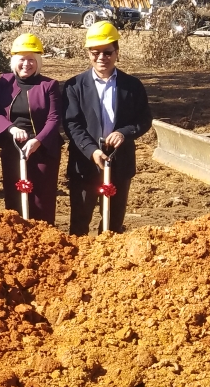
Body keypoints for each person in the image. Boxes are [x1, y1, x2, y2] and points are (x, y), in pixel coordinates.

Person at [62, 21, 152, 235]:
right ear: (88, 54)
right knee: (79, 223)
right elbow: (71, 124)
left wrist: (124, 133)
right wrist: (92, 151)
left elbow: (144, 120)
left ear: (117, 52)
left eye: (107, 52)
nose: (101, 57)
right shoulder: (73, 86)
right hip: (84, 164)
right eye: (95, 53)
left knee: (112, 224)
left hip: (120, 164)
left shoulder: (132, 86)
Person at [0, 33, 62, 223]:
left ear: (38, 62)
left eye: (32, 59)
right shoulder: (4, 82)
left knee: (40, 199)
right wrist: (11, 129)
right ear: (14, 61)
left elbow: (54, 118)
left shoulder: (49, 85)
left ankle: (43, 238)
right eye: (22, 59)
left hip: (42, 149)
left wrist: (37, 141)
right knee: (14, 196)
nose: (26, 64)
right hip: (13, 146)